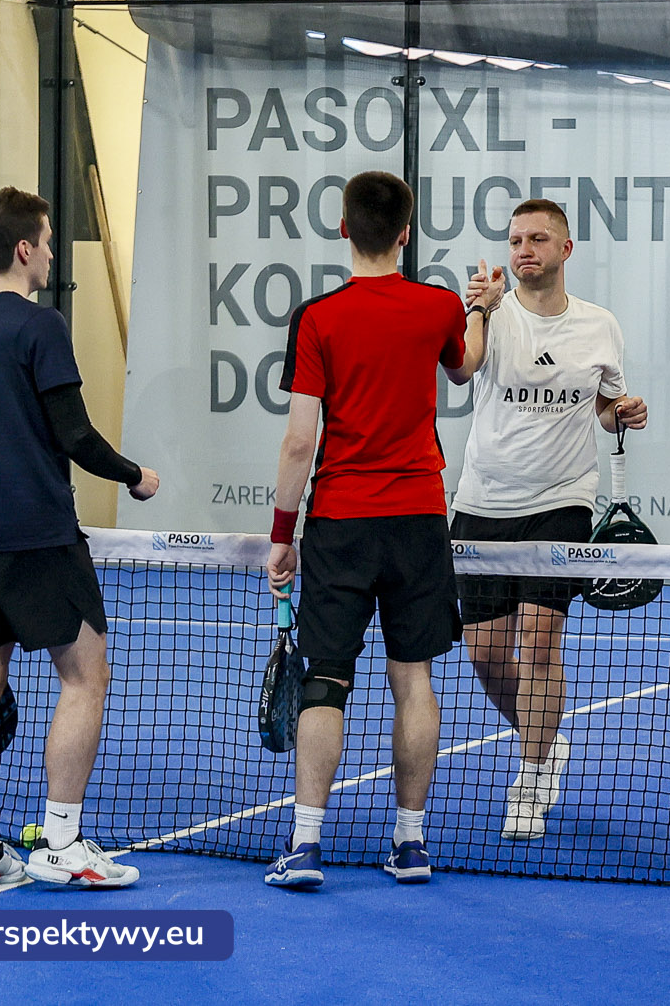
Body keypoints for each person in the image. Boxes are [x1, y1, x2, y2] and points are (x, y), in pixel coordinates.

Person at [0, 187, 160, 891]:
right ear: (23, 249)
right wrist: (136, 476)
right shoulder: (41, 326)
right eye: (49, 240)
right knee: (86, 676)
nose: (52, 251)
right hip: (41, 536)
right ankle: (61, 840)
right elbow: (75, 434)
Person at [263, 171, 473, 889]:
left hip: (342, 523)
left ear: (344, 229)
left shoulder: (317, 317)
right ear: (406, 233)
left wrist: (280, 534)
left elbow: (299, 442)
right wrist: (478, 310)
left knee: (326, 679)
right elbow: (465, 365)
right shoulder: (440, 307)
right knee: (411, 678)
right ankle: (411, 843)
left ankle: (305, 844)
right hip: (417, 519)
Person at [453, 198, 647, 841]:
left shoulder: (600, 326)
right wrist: (477, 306)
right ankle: (546, 738)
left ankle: (531, 776)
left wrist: (623, 413)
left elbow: (604, 406)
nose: (523, 250)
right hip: (482, 504)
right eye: (514, 241)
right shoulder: (489, 316)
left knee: (539, 643)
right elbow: (465, 368)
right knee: (484, 653)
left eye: (538, 239)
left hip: (562, 501)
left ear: (567, 249)